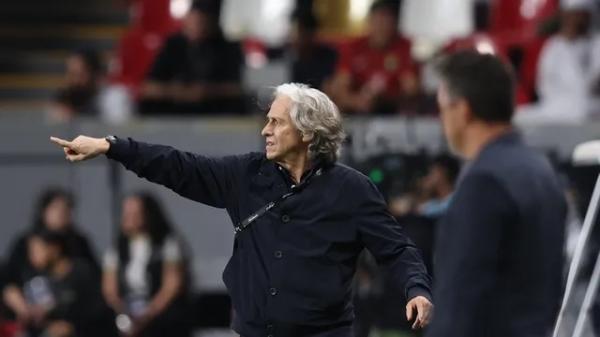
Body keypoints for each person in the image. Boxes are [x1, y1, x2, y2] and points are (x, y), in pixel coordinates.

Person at [50, 82, 433, 337]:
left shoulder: (353, 190)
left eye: (276, 122)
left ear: (308, 132)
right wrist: (112, 146)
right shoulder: (245, 175)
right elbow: (179, 166)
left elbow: (396, 248)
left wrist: (416, 289)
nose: (265, 130)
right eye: (266, 121)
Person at [426, 50, 567, 337]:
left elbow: (458, 306)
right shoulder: (541, 171)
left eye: (442, 108)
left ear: (462, 110)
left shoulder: (483, 183)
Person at [102, 192, 191, 337]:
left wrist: (146, 316)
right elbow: (110, 290)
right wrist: (123, 315)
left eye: (135, 213)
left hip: (159, 314)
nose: (129, 217)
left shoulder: (168, 245)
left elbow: (172, 286)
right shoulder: (117, 249)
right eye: (126, 212)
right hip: (127, 311)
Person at [138, 0, 244, 115]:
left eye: (204, 21)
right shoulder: (173, 45)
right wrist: (177, 92)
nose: (198, 25)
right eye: (195, 20)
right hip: (175, 112)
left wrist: (206, 91)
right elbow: (148, 88)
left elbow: (240, 88)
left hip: (214, 112)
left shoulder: (228, 47)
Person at [3, 229, 110, 337]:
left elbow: (97, 311)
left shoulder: (83, 273)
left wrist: (72, 326)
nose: (32, 256)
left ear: (54, 249)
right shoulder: (35, 278)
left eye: (36, 250)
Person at [329, 0, 421, 115]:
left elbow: (411, 89)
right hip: (355, 114)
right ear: (369, 22)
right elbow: (339, 88)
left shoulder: (403, 46)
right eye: (378, 22)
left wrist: (383, 97)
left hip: (392, 114)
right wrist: (358, 101)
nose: (381, 28)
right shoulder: (354, 47)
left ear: (394, 24)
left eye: (387, 22)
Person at [517, 0, 600, 123]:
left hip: (590, 106)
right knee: (520, 115)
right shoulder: (554, 45)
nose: (574, 20)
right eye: (571, 15)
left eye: (578, 15)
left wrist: (572, 47)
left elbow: (590, 84)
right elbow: (544, 84)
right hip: (555, 106)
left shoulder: (596, 43)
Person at [4, 188, 99, 290]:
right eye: (55, 208)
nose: (61, 214)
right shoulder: (26, 241)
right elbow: (7, 278)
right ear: (43, 211)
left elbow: (94, 275)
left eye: (66, 209)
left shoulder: (79, 242)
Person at [49, 50, 133, 124]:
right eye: (70, 74)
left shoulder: (114, 98)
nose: (73, 81)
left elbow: (117, 135)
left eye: (79, 75)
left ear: (95, 74)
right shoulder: (65, 97)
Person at [268, 9, 338, 91]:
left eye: (299, 32)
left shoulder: (327, 57)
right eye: (292, 31)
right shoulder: (282, 54)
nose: (293, 37)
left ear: (311, 34)